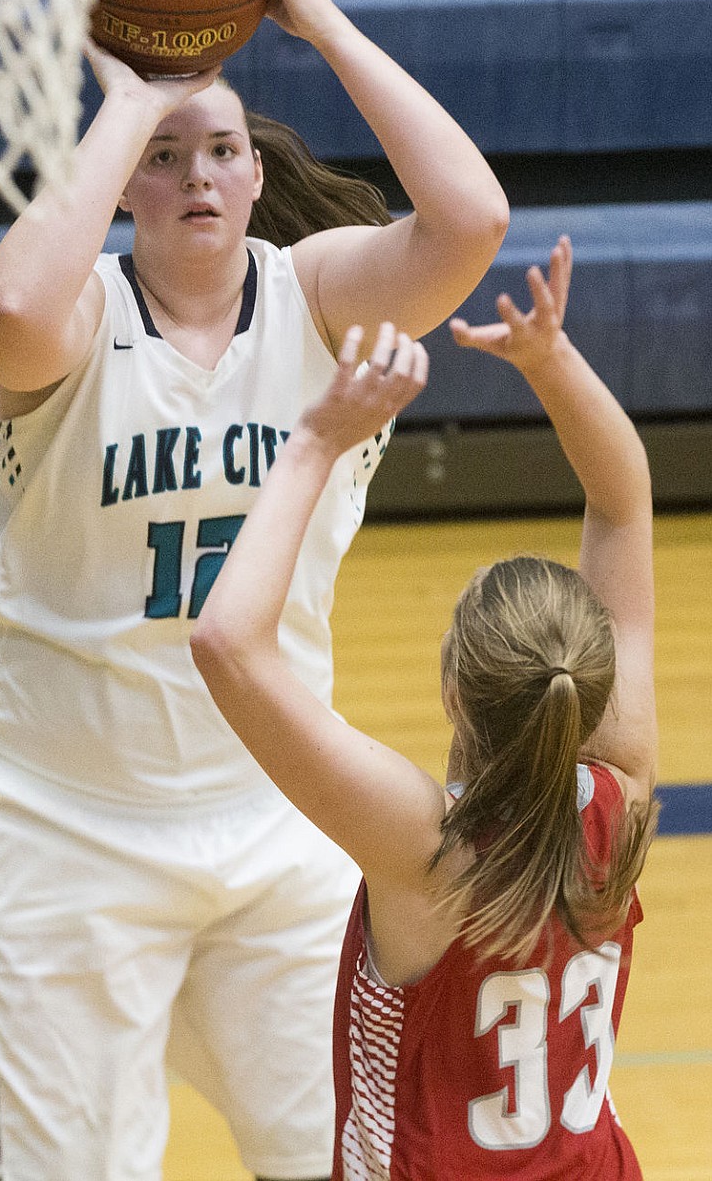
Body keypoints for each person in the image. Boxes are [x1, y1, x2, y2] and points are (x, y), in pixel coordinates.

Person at [0, 0, 509, 1181]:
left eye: (220, 149)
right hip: (58, 822)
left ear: (256, 174)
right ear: (122, 183)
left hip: (274, 815)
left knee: (349, 1161)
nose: (196, 173)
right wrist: (137, 90)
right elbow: (11, 308)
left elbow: (469, 219)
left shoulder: (316, 298)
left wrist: (316, 18)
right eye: (162, 157)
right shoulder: (72, 317)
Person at [191, 236, 659, 1179]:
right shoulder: (625, 789)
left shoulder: (425, 847)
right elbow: (624, 505)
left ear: (454, 690)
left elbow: (225, 643)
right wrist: (552, 361)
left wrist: (316, 442)